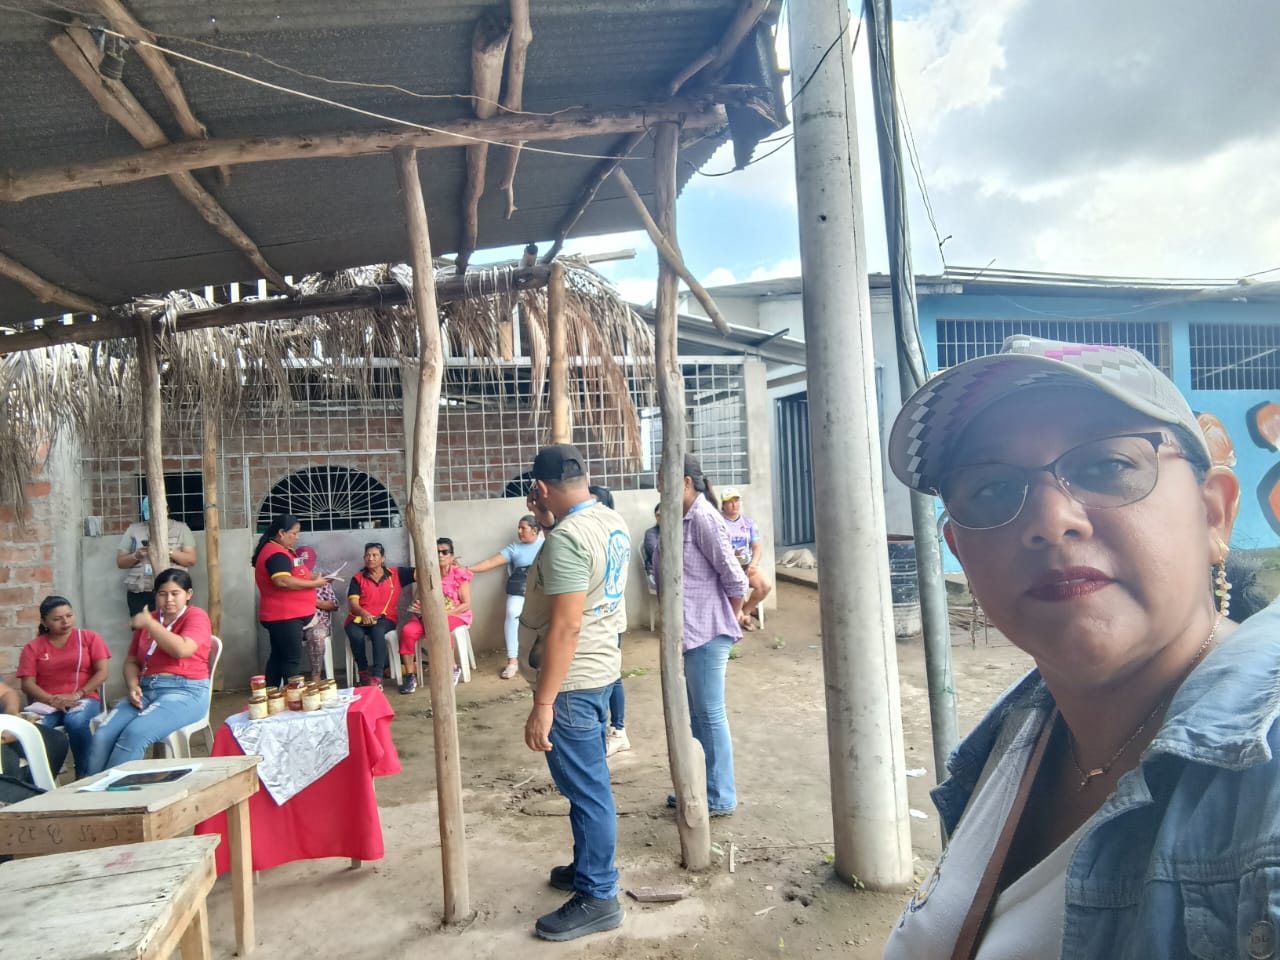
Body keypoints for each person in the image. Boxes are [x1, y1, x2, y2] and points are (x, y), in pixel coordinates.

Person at [881, 335, 1274, 958]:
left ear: (1213, 515)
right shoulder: (1020, 732)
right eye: (991, 488)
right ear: (960, 551)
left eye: (1107, 466)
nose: (1050, 520)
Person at [520, 443, 630, 941]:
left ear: (541, 488)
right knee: (589, 784)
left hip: (572, 681)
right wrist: (549, 525)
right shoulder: (609, 519)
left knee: (587, 792)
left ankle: (598, 895)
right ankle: (589, 868)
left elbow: (566, 626)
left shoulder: (567, 539)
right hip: (602, 669)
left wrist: (543, 703)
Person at [656, 455, 749, 817]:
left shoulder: (704, 518)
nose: (658, 487)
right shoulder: (680, 517)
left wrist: (731, 614)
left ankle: (720, 795)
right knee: (696, 715)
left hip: (707, 630)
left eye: (663, 478)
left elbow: (735, 577)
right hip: (690, 631)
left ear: (685, 483)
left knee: (709, 714)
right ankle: (699, 786)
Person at [87, 568, 212, 774]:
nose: (168, 600)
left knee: (134, 734)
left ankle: (113, 789)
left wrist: (151, 625)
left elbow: (182, 649)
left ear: (188, 594)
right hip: (145, 690)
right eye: (162, 594)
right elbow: (131, 661)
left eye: (175, 593)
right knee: (103, 734)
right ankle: (91, 787)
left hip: (186, 691)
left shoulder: (196, 616)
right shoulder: (151, 618)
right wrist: (132, 685)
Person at [15, 595, 110, 777]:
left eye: (69, 615)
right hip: (46, 704)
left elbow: (102, 672)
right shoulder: (33, 647)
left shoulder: (89, 638)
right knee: (35, 729)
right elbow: (27, 684)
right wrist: (52, 700)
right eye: (57, 619)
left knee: (76, 721)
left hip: (83, 699)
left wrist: (77, 694)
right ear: (44, 622)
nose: (65, 622)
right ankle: (42, 779)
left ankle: (85, 775)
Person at [251, 514, 329, 687]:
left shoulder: (280, 550)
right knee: (291, 660)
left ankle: (272, 693)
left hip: (285, 615)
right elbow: (282, 581)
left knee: (278, 657)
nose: (297, 537)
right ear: (281, 533)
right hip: (285, 615)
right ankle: (292, 696)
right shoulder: (276, 554)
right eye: (294, 533)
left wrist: (316, 577)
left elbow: (296, 574)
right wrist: (314, 584)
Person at [467, 515, 544, 680]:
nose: (519, 531)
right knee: (512, 613)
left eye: (523, 528)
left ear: (535, 530)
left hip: (542, 591)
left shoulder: (547, 545)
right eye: (518, 528)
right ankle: (512, 661)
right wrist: (466, 569)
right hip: (520, 589)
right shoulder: (515, 548)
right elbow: (490, 562)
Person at [399, 538, 470, 691]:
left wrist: (444, 613)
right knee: (407, 631)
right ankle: (410, 676)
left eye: (444, 552)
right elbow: (417, 599)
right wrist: (418, 606)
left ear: (452, 556)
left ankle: (452, 668)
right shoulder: (427, 575)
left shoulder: (459, 574)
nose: (440, 555)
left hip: (455, 614)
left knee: (440, 626)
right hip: (426, 616)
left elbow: (466, 604)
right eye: (437, 552)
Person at [346, 542, 415, 692]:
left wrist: (447, 565)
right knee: (354, 634)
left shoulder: (396, 574)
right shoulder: (357, 579)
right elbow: (353, 604)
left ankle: (377, 677)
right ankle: (363, 672)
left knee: (377, 630)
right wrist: (363, 613)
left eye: (374, 555)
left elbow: (421, 572)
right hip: (359, 618)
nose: (370, 558)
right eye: (367, 555)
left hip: (385, 618)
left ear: (382, 558)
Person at [115, 501, 197, 617]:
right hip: (141, 591)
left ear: (167, 510)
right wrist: (136, 556)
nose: (153, 520)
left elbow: (191, 559)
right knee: (142, 627)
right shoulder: (134, 530)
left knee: (172, 625)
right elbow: (120, 562)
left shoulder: (181, 529)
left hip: (172, 591)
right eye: (149, 516)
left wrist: (168, 552)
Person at [0, 677, 69, 800]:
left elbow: (7, 693)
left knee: (56, 740)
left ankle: (37, 791)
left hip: (6, 726)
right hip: (3, 738)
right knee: (10, 762)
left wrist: (11, 714)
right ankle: (18, 800)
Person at [719, 488, 771, 629]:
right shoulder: (718, 522)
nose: (734, 505)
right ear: (723, 505)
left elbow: (756, 547)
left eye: (736, 501)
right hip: (727, 567)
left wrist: (753, 564)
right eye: (729, 502)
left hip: (746, 565)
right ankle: (742, 618)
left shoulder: (748, 523)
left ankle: (745, 612)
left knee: (765, 585)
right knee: (738, 586)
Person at [297, 545, 338, 682]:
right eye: (302, 563)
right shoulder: (291, 581)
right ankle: (289, 678)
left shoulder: (322, 581)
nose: (305, 567)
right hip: (295, 622)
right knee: (284, 635)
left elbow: (333, 605)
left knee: (316, 634)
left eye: (308, 563)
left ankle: (316, 675)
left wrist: (313, 602)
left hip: (317, 623)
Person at [643, 504, 660, 589]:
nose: (660, 518)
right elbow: (656, 552)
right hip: (656, 572)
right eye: (658, 515)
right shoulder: (651, 533)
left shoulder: (680, 531)